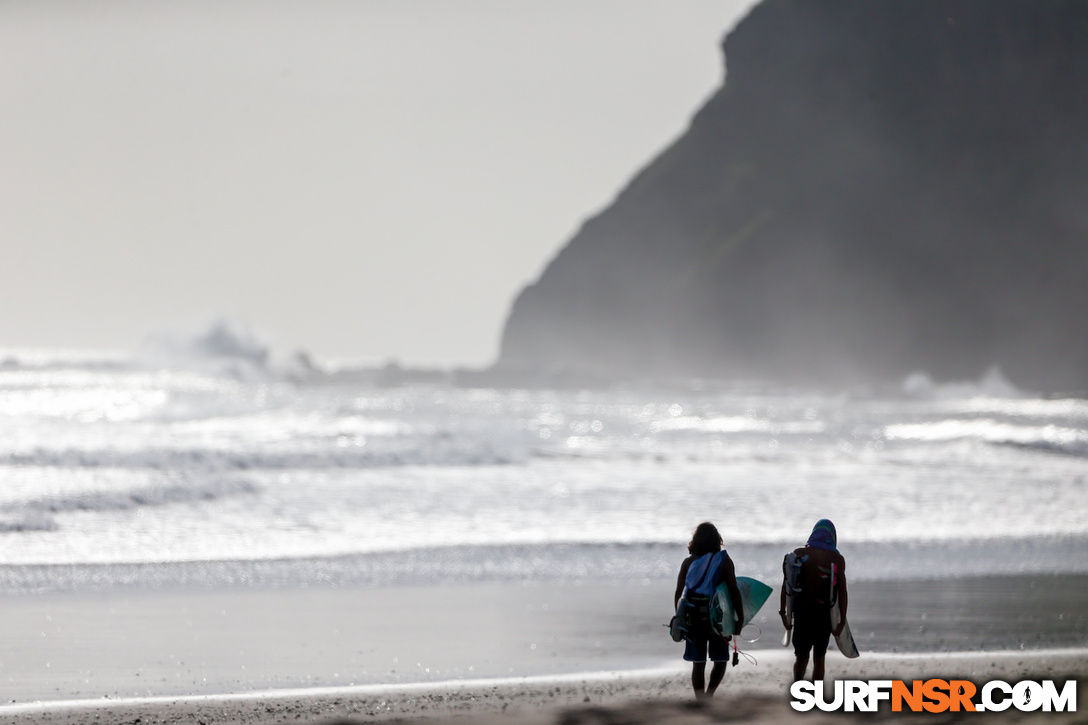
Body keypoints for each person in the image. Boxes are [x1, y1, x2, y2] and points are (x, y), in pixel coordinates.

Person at [674, 522, 744, 699]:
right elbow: (733, 591)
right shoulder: (724, 561)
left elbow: (679, 593)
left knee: (698, 663)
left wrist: (679, 617)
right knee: (720, 660)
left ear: (695, 541)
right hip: (718, 619)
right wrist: (739, 617)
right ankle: (710, 694)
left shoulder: (688, 562)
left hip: (693, 618)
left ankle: (700, 700)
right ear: (717, 540)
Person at [779, 519, 848, 682]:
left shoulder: (798, 554)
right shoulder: (836, 559)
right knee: (819, 659)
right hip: (823, 616)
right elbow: (842, 592)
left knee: (801, 658)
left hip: (802, 614)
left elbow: (786, 586)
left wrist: (783, 614)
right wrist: (841, 621)